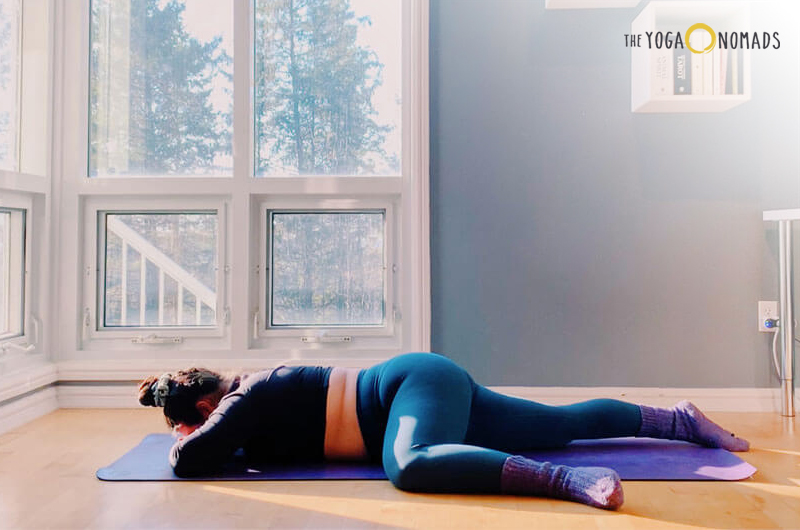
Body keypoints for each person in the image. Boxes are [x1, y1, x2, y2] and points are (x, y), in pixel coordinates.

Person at [138, 352, 750, 510]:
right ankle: (679, 421)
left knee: (410, 464)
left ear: (202, 401)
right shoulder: (243, 403)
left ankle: (568, 480)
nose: (192, 430)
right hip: (424, 391)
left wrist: (187, 438)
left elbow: (190, 462)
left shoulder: (247, 394)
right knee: (557, 424)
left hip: (410, 387)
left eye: (188, 419)